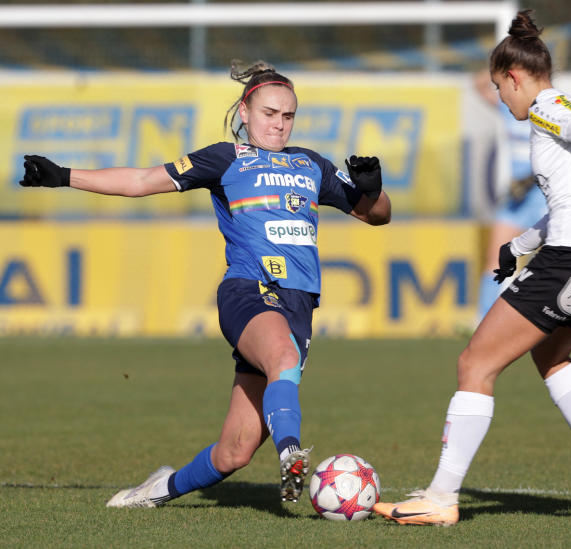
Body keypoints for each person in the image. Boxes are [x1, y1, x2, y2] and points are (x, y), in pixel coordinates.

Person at [18, 61, 391, 508]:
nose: (279, 124)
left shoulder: (311, 165)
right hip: (248, 290)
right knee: (284, 358)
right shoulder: (225, 158)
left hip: (297, 305)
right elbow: (141, 180)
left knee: (235, 451)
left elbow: (377, 215)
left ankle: (157, 490)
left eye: (288, 115)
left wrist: (372, 189)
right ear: (245, 112)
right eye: (269, 113)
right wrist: (64, 176)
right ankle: (291, 453)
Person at [373, 10, 571, 526]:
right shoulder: (559, 116)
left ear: (513, 77)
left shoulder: (550, 107)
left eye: (498, 88)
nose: (502, 100)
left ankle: (441, 497)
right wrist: (519, 246)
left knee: (475, 364)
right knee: (550, 354)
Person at [474, 71, 549, 321]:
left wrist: (532, 177)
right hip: (516, 198)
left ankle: (544, 321)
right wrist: (503, 64)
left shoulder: (550, 110)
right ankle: (485, 320)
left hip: (545, 197)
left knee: (548, 263)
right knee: (496, 258)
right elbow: (479, 84)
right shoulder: (510, 108)